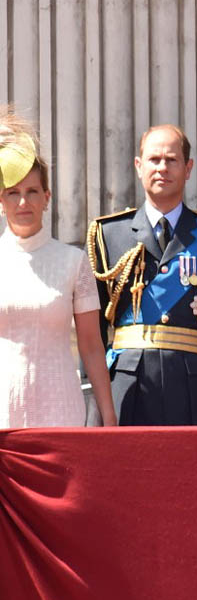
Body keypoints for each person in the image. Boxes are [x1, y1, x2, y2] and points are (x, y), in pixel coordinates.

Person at [86, 124, 197, 425]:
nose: (162, 167)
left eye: (172, 160)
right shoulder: (108, 235)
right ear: (139, 166)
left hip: (196, 389)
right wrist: (95, 401)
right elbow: (91, 330)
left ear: (188, 168)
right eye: (154, 159)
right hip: (126, 386)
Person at [0, 112, 116, 427]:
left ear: (47, 197)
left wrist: (108, 415)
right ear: (1, 201)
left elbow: (92, 345)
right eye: (13, 192)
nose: (23, 202)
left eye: (32, 191)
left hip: (60, 413)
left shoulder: (73, 261)